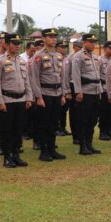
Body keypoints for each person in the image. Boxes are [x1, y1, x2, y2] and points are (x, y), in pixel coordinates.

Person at [0, 33, 33, 168]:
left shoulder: (21, 60)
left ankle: (16, 155)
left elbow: (26, 80)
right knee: (6, 130)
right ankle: (7, 157)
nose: (17, 46)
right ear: (7, 44)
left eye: (19, 43)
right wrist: (0, 102)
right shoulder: (0, 61)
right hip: (7, 100)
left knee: (18, 129)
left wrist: (29, 97)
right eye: (14, 43)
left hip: (21, 99)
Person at [28, 28, 68, 162]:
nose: (53, 39)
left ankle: (52, 149)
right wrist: (38, 97)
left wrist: (63, 94)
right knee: (44, 123)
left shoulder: (58, 55)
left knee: (54, 123)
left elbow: (62, 76)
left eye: (55, 36)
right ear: (44, 38)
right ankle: (44, 151)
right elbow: (34, 77)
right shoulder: (38, 56)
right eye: (50, 36)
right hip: (45, 94)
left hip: (57, 93)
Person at [71, 33, 102, 155]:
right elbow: (76, 75)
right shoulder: (78, 56)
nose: (93, 44)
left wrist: (100, 91)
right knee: (83, 120)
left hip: (96, 91)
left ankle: (89, 144)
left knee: (93, 120)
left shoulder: (95, 57)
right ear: (84, 43)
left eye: (94, 42)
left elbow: (98, 75)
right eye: (90, 42)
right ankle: (83, 146)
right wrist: (78, 91)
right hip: (85, 92)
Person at [63, 39, 82, 145]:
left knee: (83, 113)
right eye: (79, 47)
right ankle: (76, 136)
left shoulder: (84, 57)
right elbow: (66, 75)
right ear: (74, 47)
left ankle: (82, 135)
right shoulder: (69, 58)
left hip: (82, 87)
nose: (81, 49)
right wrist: (67, 91)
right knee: (74, 113)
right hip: (72, 87)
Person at [97, 41, 111, 141]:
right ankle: (103, 132)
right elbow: (98, 75)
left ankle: (110, 130)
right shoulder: (100, 60)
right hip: (103, 88)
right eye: (110, 48)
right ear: (104, 48)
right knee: (104, 111)